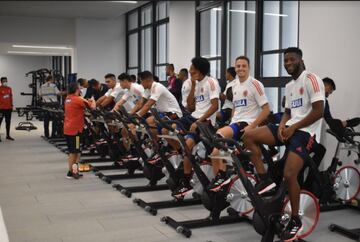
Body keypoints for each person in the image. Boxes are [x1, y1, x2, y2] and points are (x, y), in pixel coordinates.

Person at [243, 47, 325, 241]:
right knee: (249, 136)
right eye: (285, 61)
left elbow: (318, 111)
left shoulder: (312, 79)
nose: (288, 63)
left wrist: (293, 127)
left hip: (306, 133)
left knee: (289, 175)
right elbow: (287, 112)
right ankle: (265, 179)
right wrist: (281, 125)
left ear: (300, 59)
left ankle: (295, 219)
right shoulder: (289, 86)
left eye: (291, 60)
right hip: (288, 128)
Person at [208, 57, 270, 191]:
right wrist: (231, 121)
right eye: (238, 66)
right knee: (214, 153)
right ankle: (221, 183)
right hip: (236, 122)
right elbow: (235, 106)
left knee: (219, 135)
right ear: (235, 68)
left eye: (243, 66)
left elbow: (266, 110)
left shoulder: (255, 84)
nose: (240, 68)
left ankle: (223, 176)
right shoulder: (234, 85)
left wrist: (252, 127)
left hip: (248, 124)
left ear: (248, 68)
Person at [172, 57, 220, 198]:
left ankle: (186, 182)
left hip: (206, 122)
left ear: (199, 69)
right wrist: (193, 85)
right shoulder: (197, 83)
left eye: (192, 68)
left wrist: (199, 121)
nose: (190, 70)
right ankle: (186, 159)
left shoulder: (211, 82)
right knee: (170, 127)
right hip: (194, 116)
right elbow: (190, 105)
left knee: (187, 146)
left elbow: (215, 105)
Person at [64, 83, 95, 179]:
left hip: (68, 128)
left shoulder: (68, 98)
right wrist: (93, 100)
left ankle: (71, 171)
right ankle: (73, 172)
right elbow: (92, 107)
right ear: (77, 89)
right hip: (76, 131)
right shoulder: (78, 99)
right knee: (76, 152)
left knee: (71, 151)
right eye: (80, 88)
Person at [0, 77, 14, 141]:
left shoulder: (9, 88)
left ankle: (8, 135)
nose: (5, 82)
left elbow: (11, 97)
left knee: (8, 122)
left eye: (6, 81)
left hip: (9, 108)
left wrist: (11, 105)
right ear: (1, 82)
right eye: (4, 81)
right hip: (1, 109)